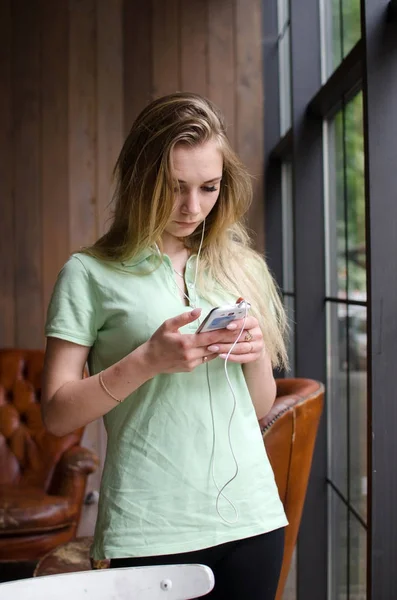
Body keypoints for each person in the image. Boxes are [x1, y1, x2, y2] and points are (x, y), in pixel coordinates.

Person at [42, 92, 289, 599]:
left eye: (209, 187)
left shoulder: (241, 267)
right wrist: (148, 361)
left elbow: (258, 407)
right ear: (140, 180)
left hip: (253, 520)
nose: (193, 207)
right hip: (148, 526)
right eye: (174, 188)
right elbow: (57, 415)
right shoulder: (88, 273)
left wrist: (256, 351)